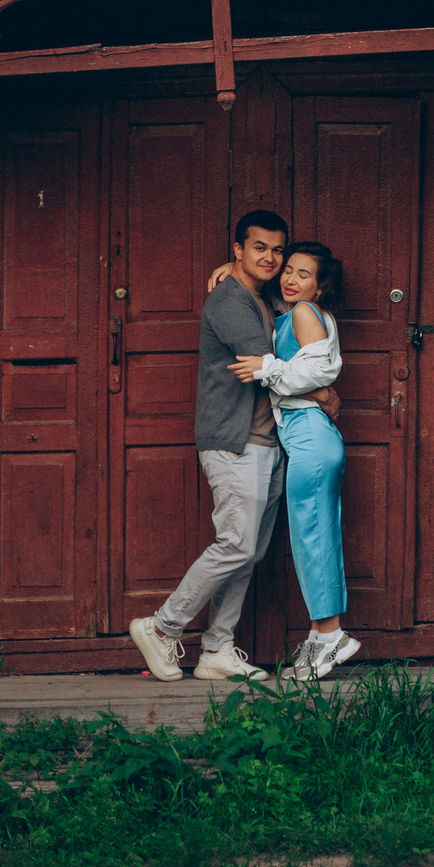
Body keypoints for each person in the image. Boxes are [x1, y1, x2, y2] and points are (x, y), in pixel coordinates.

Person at [128, 209, 289, 683]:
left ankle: (217, 647)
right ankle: (161, 626)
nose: (271, 257)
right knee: (236, 543)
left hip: (267, 441)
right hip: (233, 442)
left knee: (250, 550)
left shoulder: (262, 298)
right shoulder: (229, 301)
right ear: (237, 249)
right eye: (259, 247)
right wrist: (322, 388)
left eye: (278, 249)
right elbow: (266, 361)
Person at [231, 241, 357, 679]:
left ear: (319, 288)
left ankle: (333, 635)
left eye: (304, 274)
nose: (290, 278)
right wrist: (225, 268)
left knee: (314, 537)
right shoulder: (290, 313)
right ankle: (322, 636)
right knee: (313, 538)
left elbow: (321, 370)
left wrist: (266, 370)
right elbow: (314, 379)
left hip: (312, 440)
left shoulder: (304, 313)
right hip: (306, 437)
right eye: (288, 270)